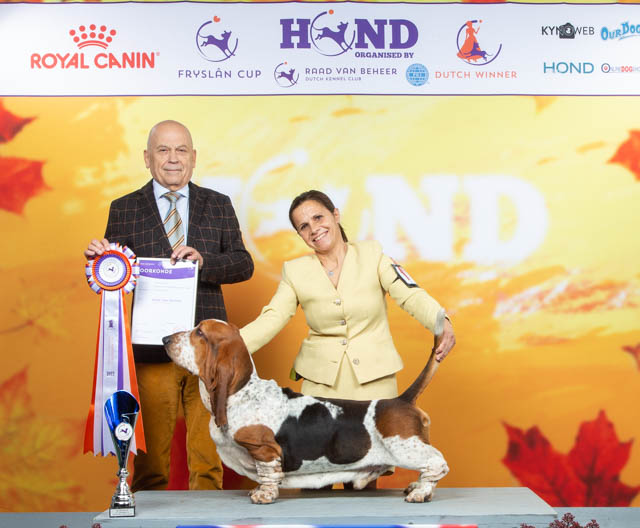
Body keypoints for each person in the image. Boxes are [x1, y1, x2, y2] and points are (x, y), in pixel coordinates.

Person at [239, 190, 455, 486]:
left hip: (374, 386)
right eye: (304, 226)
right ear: (300, 235)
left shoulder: (374, 256)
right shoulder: (295, 271)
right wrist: (227, 347)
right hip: (320, 391)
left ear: (335, 215)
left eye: (319, 217)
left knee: (364, 483)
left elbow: (409, 294)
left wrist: (440, 321)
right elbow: (272, 318)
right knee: (315, 481)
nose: (314, 229)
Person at [84, 120, 253, 491]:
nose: (173, 158)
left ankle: (206, 523)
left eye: (181, 150)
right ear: (147, 158)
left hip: (209, 353)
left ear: (193, 157)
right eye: (163, 150)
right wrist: (101, 262)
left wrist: (205, 261)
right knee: (151, 461)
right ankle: (149, 524)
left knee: (208, 459)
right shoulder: (124, 209)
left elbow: (244, 265)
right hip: (152, 350)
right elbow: (113, 278)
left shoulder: (218, 204)